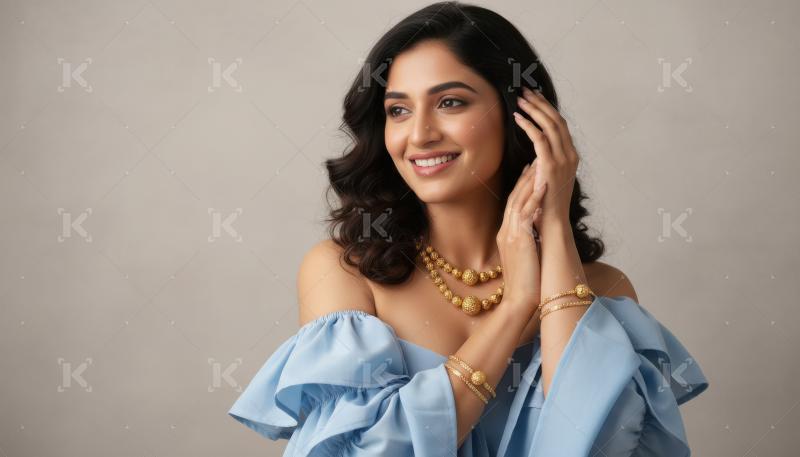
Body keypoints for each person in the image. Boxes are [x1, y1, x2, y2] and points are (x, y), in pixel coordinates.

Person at [227, 2, 709, 455]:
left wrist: (554, 224)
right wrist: (516, 306)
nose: (419, 135)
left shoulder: (605, 291)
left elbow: (594, 445)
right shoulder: (344, 273)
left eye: (450, 102)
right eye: (398, 110)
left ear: (523, 116)